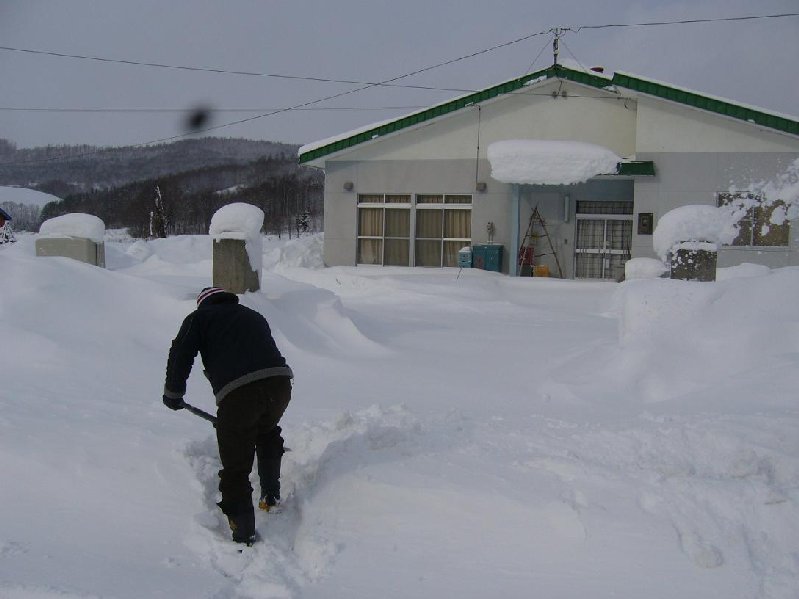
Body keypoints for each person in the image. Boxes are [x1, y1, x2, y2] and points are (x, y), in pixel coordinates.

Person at [162, 287, 293, 544]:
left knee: (236, 464)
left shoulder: (199, 319)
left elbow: (181, 353)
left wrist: (173, 393)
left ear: (203, 304)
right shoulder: (253, 315)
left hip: (239, 393)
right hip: (280, 384)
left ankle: (243, 532)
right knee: (266, 430)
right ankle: (270, 494)